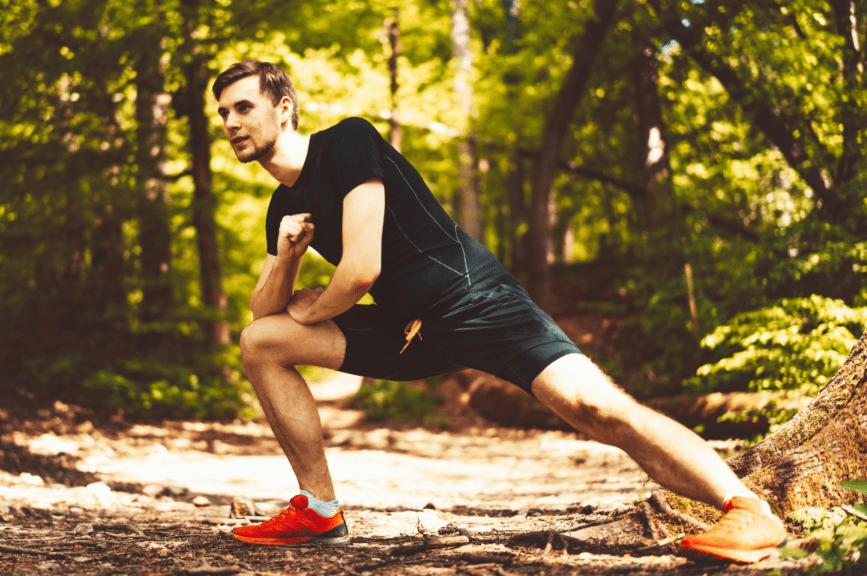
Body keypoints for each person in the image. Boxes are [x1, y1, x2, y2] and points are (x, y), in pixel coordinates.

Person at [212, 60, 787, 562]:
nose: (231, 123)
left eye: (243, 107)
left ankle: (747, 507)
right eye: (223, 114)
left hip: (474, 298)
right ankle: (318, 509)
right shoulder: (283, 206)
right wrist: (287, 256)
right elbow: (263, 311)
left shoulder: (347, 143)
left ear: (283, 108)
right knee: (260, 341)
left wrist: (314, 310)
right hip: (407, 329)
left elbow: (362, 268)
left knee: (595, 406)